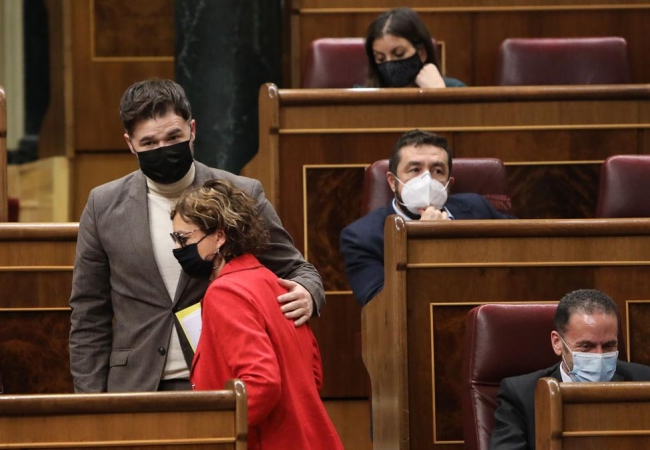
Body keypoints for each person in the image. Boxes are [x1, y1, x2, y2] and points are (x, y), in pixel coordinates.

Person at [69, 78, 325, 393]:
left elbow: (298, 269)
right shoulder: (102, 204)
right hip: (136, 385)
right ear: (130, 144)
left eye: (173, 136)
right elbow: (88, 314)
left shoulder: (240, 192)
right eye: (149, 143)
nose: (163, 149)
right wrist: (91, 402)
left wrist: (308, 293)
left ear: (192, 129)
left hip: (220, 378)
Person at [171, 179, 344, 450]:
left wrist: (215, 431)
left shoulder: (225, 292)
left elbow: (262, 383)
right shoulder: (273, 281)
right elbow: (314, 373)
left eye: (184, 239)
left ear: (219, 236)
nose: (179, 250)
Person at [340, 129, 513, 305]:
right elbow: (380, 305)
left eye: (438, 171)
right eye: (415, 170)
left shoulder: (478, 208)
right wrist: (425, 241)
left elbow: (526, 248)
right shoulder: (362, 237)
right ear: (392, 182)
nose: (426, 179)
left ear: (449, 183)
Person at [489, 289, 650, 450]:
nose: (599, 356)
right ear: (557, 343)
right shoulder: (521, 394)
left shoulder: (644, 381)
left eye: (609, 346)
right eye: (586, 346)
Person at [364, 8, 465, 88]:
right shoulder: (360, 97)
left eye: (399, 54)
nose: (389, 64)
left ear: (421, 53)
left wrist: (439, 94)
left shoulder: (455, 88)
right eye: (380, 58)